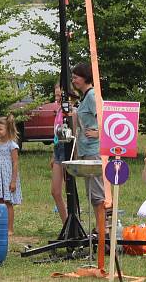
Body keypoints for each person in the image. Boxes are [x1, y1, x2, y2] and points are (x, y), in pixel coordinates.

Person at [70, 62, 105, 228]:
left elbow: (105, 118)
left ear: (85, 78)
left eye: (76, 77)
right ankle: (99, 228)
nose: (73, 80)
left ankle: (102, 230)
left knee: (98, 194)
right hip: (86, 150)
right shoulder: (84, 97)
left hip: (94, 150)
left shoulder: (91, 96)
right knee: (92, 193)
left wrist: (98, 132)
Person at [0, 114, 21, 235]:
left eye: (0, 129)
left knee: (8, 203)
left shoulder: (12, 145)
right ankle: (0, 226)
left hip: (8, 178)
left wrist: (13, 181)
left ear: (7, 130)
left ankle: (10, 228)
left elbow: (15, 163)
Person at [49, 83, 69, 224]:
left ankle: (72, 223)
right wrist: (53, 154)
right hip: (58, 150)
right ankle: (66, 223)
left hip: (67, 149)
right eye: (55, 95)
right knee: (55, 191)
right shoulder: (58, 111)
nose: (56, 98)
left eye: (59, 95)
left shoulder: (70, 111)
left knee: (70, 190)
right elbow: (56, 135)